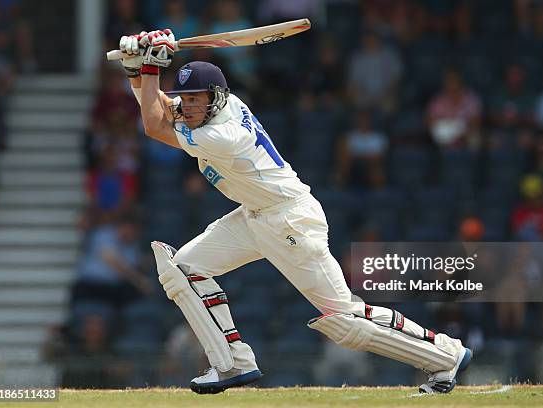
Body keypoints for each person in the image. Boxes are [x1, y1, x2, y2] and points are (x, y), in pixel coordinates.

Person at [116, 29, 471, 395]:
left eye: (194, 99)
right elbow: (158, 103)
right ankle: (232, 363)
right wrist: (137, 68)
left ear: (215, 98)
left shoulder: (223, 135)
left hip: (289, 219)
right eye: (184, 98)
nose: (186, 107)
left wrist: (149, 67)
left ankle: (445, 356)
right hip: (256, 214)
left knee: (345, 321)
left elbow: (153, 124)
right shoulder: (216, 108)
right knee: (185, 269)